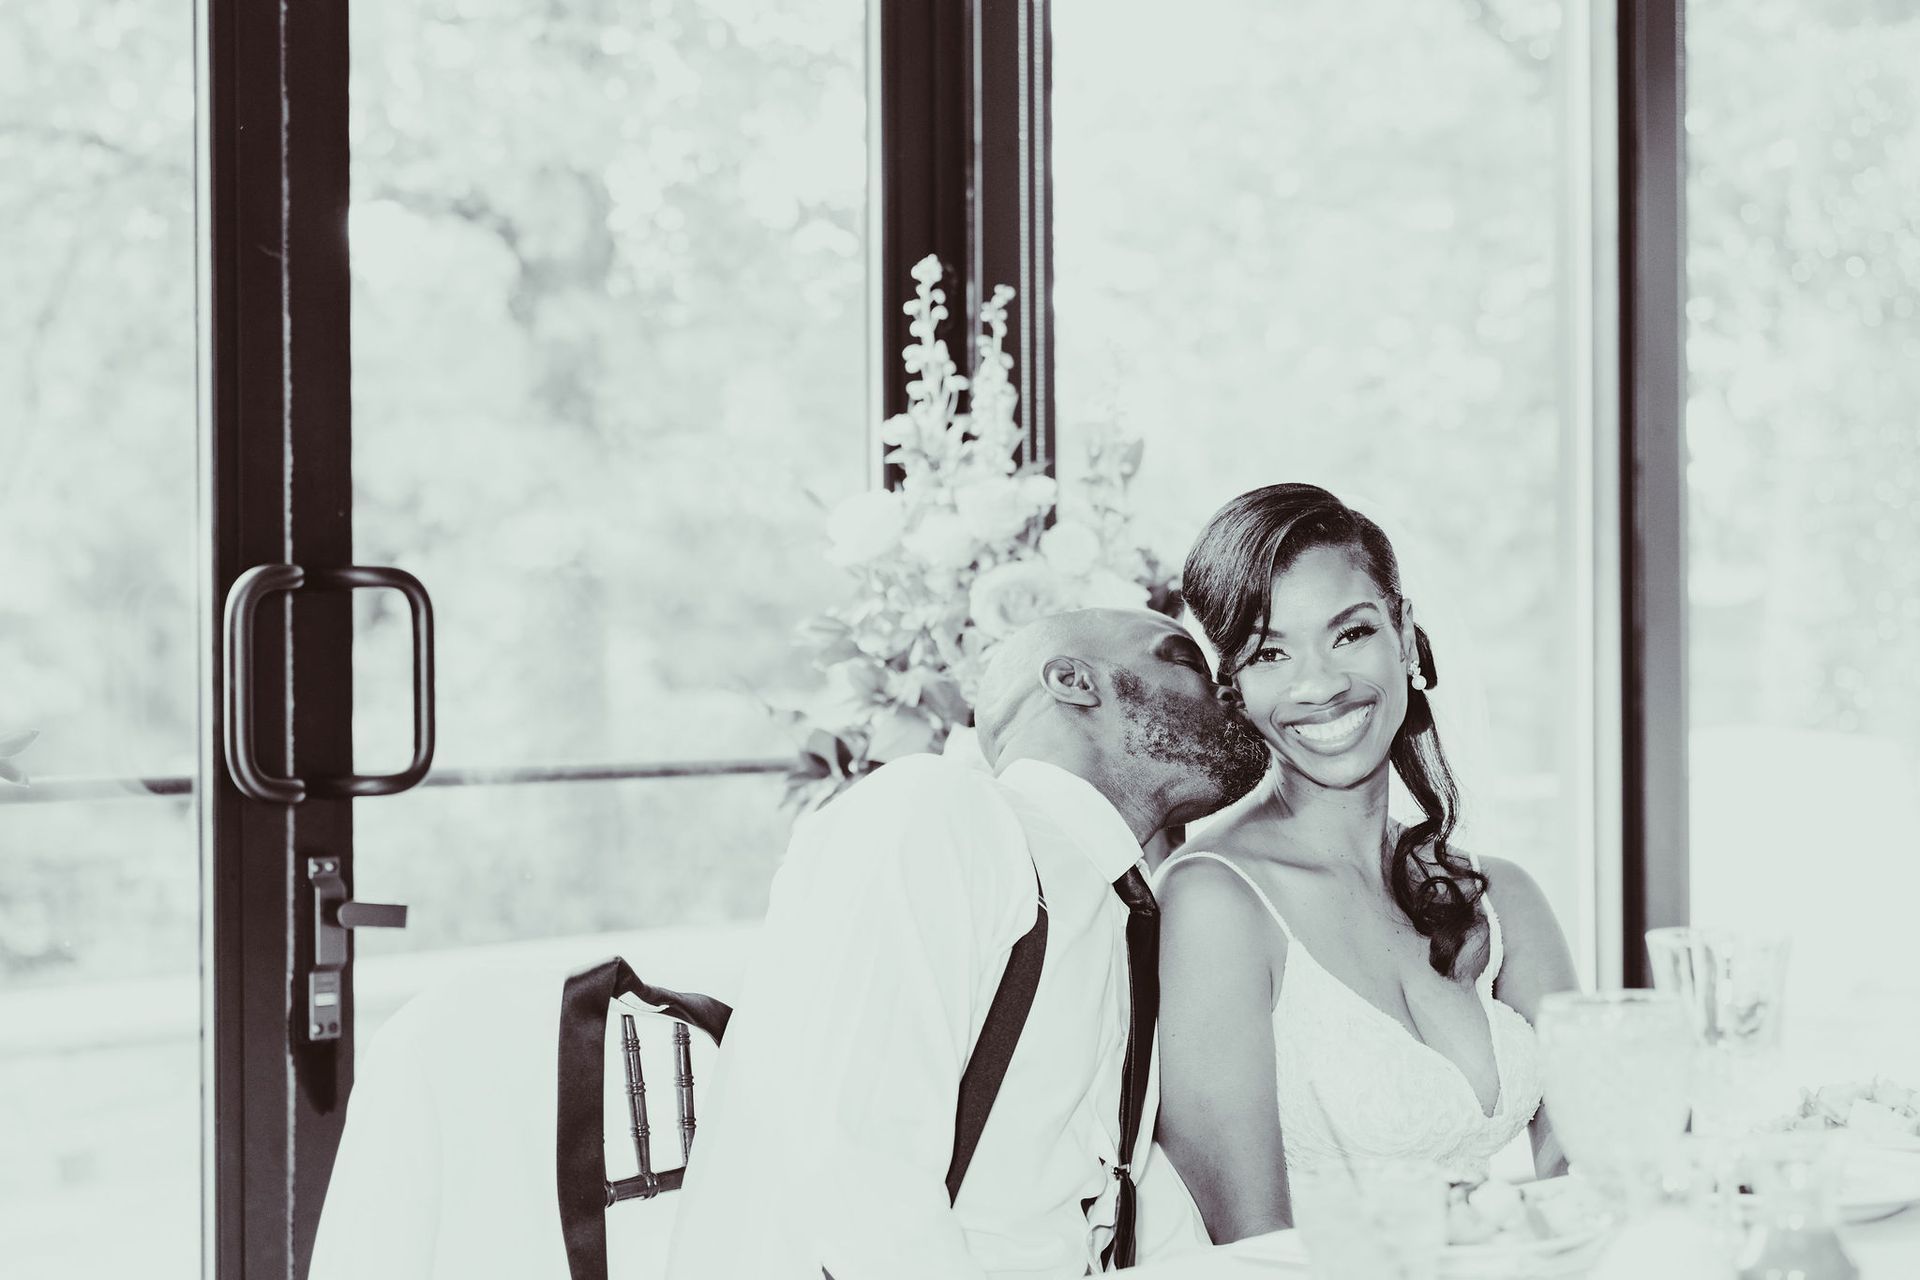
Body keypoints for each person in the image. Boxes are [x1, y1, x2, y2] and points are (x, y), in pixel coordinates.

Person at [665, 607, 1269, 1280]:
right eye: (1183, 659)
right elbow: (851, 1175)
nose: (1230, 692)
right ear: (1073, 680)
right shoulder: (932, 811)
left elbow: (1122, 1196)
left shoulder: (1119, 903)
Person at [1149, 483, 1580, 1245]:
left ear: (1405, 637)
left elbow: (1598, 1174)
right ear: (1236, 690)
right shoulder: (1216, 904)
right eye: (1270, 653)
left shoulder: (1502, 897)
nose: (1320, 685)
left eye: (1349, 635)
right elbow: (1252, 1250)